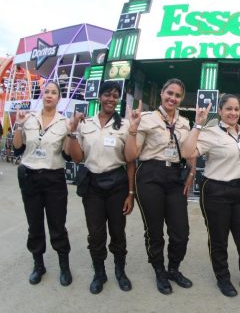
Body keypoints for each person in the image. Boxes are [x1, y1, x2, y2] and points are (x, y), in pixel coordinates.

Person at [181, 93, 240, 297]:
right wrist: (198, 125)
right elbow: (187, 153)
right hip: (215, 191)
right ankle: (223, 278)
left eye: (236, 109)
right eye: (228, 108)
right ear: (220, 111)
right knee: (219, 239)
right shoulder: (210, 132)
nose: (233, 112)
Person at [124, 78, 194, 295]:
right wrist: (133, 130)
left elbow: (190, 150)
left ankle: (174, 268)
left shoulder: (184, 122)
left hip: (175, 177)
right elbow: (131, 155)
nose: (172, 98)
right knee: (155, 231)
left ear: (181, 98)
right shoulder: (145, 118)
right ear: (161, 94)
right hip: (150, 176)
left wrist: (191, 173)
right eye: (169, 93)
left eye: (177, 95)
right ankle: (159, 270)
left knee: (180, 231)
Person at [66, 81, 135, 294]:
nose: (111, 99)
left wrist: (131, 193)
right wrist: (72, 131)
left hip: (117, 186)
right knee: (95, 234)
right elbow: (77, 158)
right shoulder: (86, 124)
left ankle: (120, 271)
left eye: (115, 95)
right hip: (93, 187)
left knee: (117, 232)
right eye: (107, 94)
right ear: (99, 97)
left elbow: (131, 160)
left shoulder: (124, 125)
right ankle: (99, 273)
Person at [12, 81, 72, 286]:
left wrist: (71, 132)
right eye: (46, 91)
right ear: (42, 95)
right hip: (29, 177)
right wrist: (19, 125)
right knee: (34, 224)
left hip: (54, 178)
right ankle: (39, 265)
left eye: (54, 92)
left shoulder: (65, 123)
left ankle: (64, 265)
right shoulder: (28, 119)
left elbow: (67, 154)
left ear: (59, 98)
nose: (49, 95)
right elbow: (18, 149)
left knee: (57, 224)